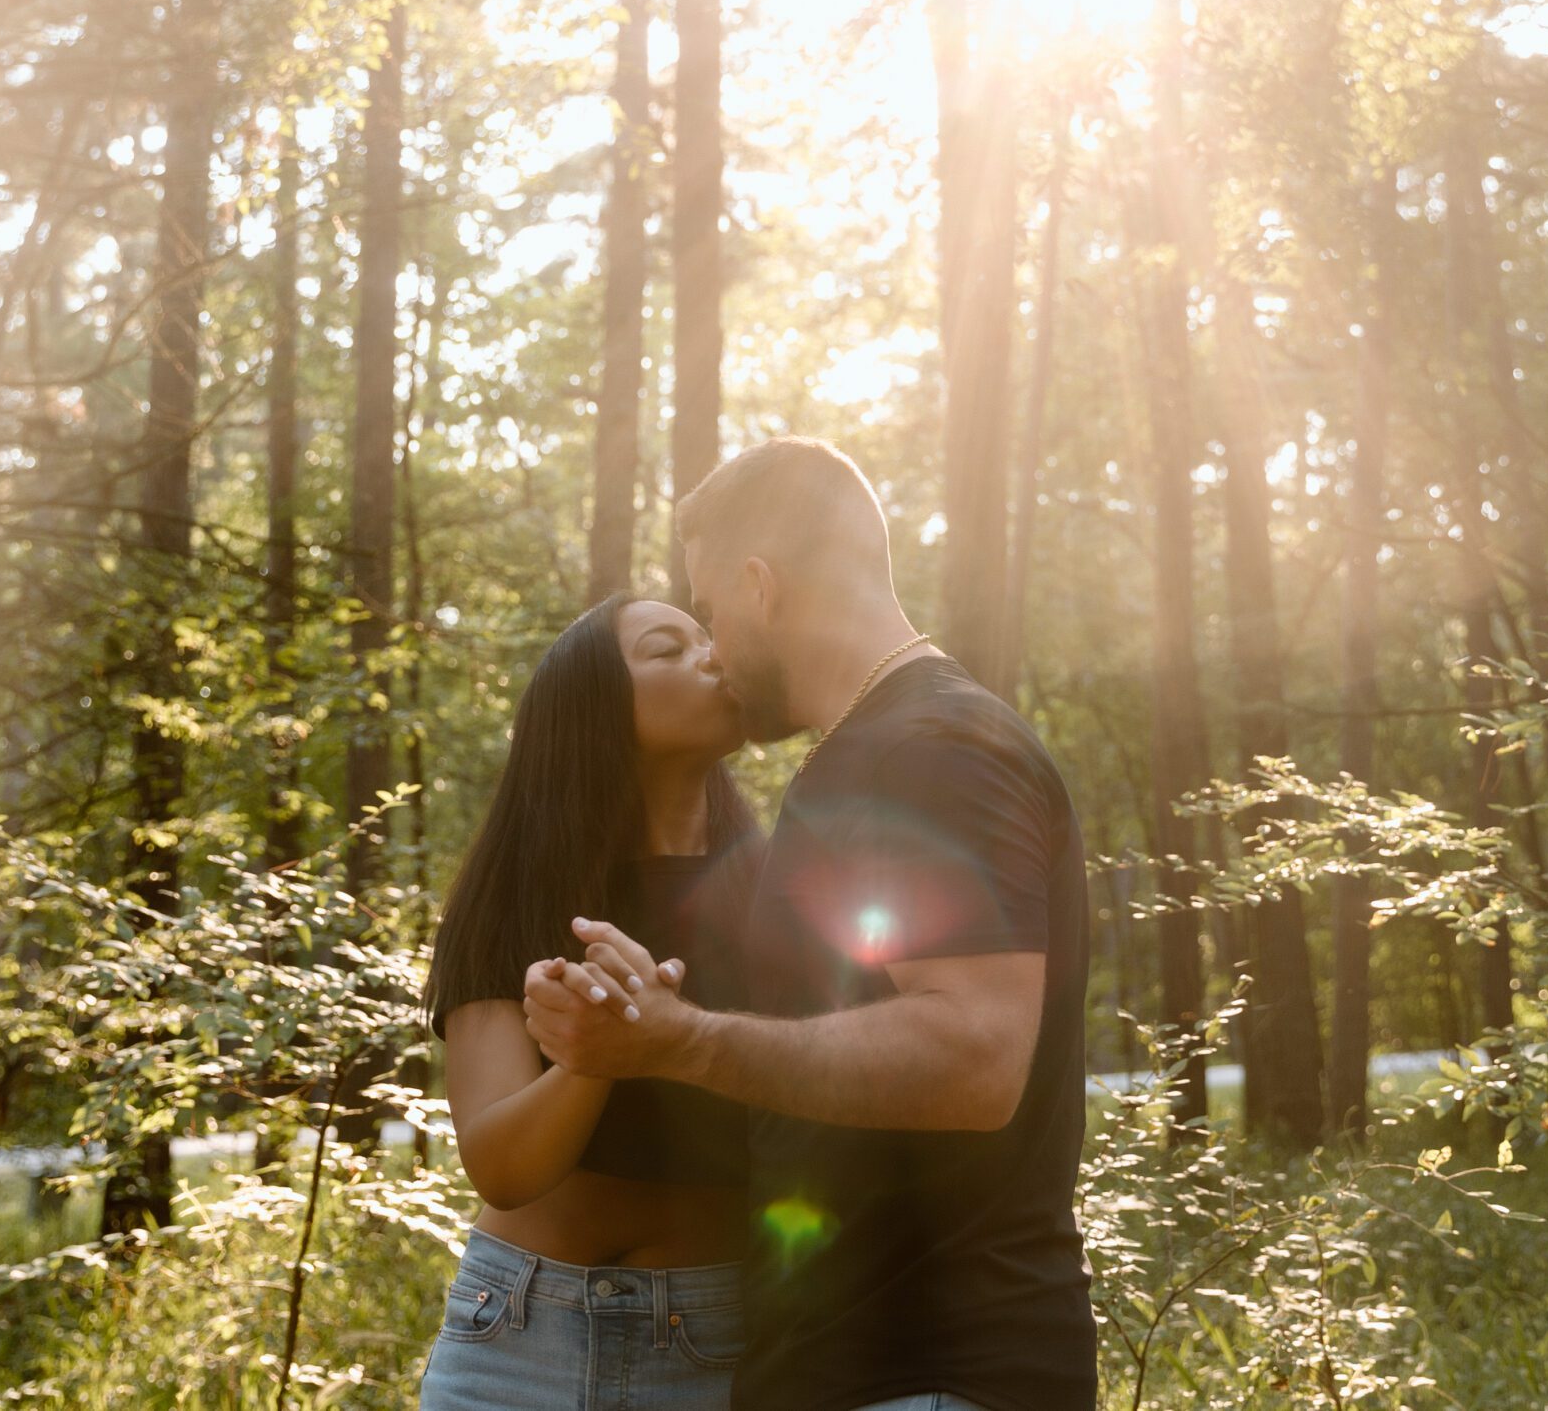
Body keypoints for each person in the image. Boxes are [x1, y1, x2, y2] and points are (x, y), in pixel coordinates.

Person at [525, 437, 1097, 1411]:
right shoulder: (867, 754)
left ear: (759, 585)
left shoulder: (930, 748)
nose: (710, 644)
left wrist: (684, 1042)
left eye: (707, 609)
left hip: (934, 1374)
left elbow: (974, 1052)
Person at [417, 594, 759, 1411]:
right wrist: (592, 1059)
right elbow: (501, 1166)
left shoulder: (783, 897)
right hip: (516, 1340)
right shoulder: (514, 892)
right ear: (593, 705)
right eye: (668, 648)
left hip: (721, 1348)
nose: (712, 656)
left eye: (709, 640)